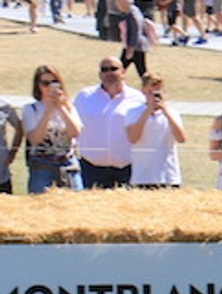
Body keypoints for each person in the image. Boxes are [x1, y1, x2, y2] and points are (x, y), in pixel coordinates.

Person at [73, 58, 139, 189]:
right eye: (104, 69)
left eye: (113, 69)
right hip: (90, 169)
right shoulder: (84, 96)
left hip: (128, 169)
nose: (109, 73)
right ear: (100, 74)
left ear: (123, 72)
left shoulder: (138, 98)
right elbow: (72, 122)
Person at [22, 65, 82, 194]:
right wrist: (48, 111)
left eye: (54, 82)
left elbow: (75, 132)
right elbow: (35, 139)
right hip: (41, 165)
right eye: (45, 83)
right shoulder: (31, 109)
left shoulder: (69, 107)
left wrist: (61, 108)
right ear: (38, 85)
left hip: (68, 163)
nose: (50, 87)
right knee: (40, 202)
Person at [126, 72, 185, 187]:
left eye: (158, 93)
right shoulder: (133, 112)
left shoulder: (172, 113)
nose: (155, 97)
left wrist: (165, 111)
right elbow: (133, 138)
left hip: (168, 176)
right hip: (142, 177)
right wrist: (148, 111)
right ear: (143, 91)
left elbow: (181, 138)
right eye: (150, 93)